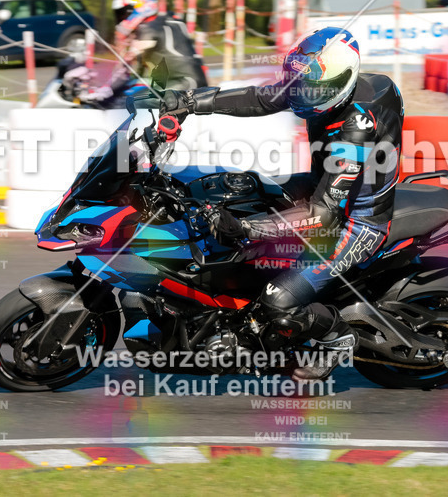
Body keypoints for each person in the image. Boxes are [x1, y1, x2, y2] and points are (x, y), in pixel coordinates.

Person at [155, 27, 404, 381]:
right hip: (324, 183)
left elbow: (324, 215)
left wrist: (246, 228)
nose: (301, 95)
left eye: (310, 89)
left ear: (343, 82)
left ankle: (337, 338)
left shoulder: (357, 127)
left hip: (357, 221)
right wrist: (190, 102)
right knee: (238, 188)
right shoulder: (321, 84)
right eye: (299, 84)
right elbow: (261, 98)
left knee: (276, 302)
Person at [111, 0, 207, 91]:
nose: (122, 19)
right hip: (190, 82)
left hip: (183, 85)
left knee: (133, 99)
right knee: (133, 91)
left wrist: (107, 91)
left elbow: (127, 69)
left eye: (123, 13)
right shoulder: (167, 21)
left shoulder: (150, 29)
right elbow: (137, 73)